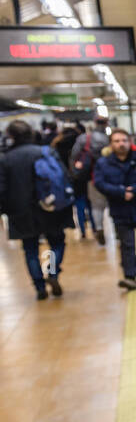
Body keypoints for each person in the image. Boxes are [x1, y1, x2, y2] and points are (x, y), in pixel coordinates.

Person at [0, 120, 75, 300]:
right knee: (56, 242)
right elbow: (64, 177)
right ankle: (52, 272)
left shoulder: (5, 159)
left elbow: (1, 188)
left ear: (11, 136)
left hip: (20, 211)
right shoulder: (46, 152)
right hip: (50, 207)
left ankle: (39, 287)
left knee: (30, 249)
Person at [94, 128, 136, 291]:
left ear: (130, 142)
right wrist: (121, 192)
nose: (121, 144)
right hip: (120, 210)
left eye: (124, 140)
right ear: (111, 144)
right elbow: (100, 183)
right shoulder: (103, 163)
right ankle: (130, 277)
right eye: (117, 141)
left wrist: (134, 190)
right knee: (127, 245)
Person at [72, 121, 110, 244]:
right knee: (114, 203)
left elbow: (74, 157)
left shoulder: (82, 139)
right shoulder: (106, 139)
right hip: (110, 176)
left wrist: (76, 174)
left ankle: (98, 228)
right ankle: (119, 231)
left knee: (96, 206)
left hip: (92, 177)